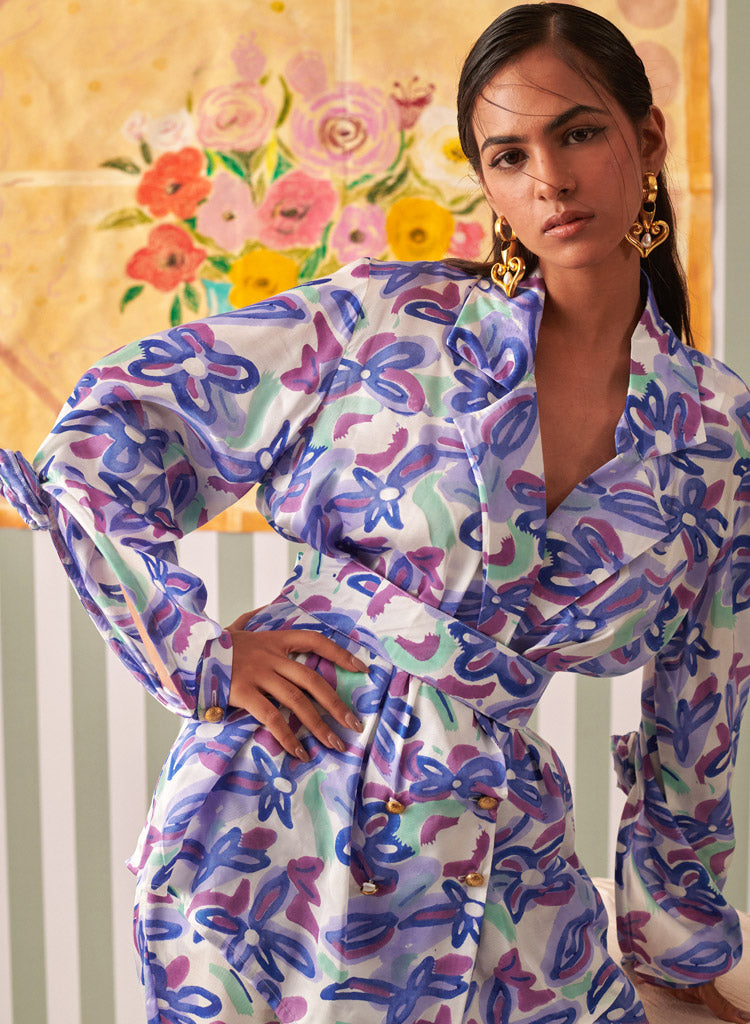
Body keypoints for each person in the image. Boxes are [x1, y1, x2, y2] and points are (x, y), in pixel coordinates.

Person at [1, 3, 749, 1022]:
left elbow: (698, 714)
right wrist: (201, 654)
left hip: (498, 836)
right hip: (273, 824)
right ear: (487, 182)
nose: (550, 179)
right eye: (510, 155)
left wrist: (676, 942)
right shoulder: (386, 322)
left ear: (648, 139)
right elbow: (105, 438)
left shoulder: (714, 434)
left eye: (578, 133)